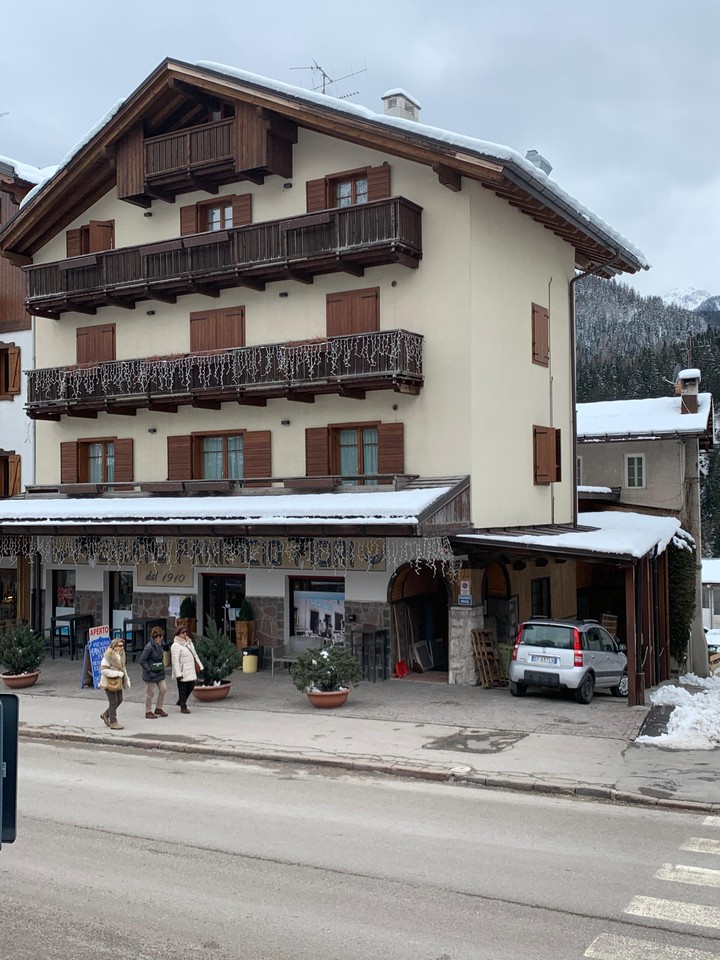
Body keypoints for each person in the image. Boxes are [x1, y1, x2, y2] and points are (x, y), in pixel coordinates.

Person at [99, 637, 131, 730]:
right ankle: (113, 722)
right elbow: (103, 670)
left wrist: (127, 679)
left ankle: (105, 714)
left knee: (120, 700)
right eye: (120, 646)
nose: (122, 647)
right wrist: (117, 674)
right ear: (114, 647)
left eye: (123, 645)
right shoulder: (108, 656)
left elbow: (123, 668)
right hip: (108, 682)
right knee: (113, 702)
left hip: (118, 681)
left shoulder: (121, 655)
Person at [171, 626, 203, 714]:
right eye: (183, 632)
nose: (185, 634)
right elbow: (175, 661)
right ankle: (183, 706)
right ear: (178, 634)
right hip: (182, 671)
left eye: (186, 632)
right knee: (183, 689)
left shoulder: (188, 642)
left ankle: (181, 700)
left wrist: (200, 666)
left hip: (190, 669)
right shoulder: (175, 645)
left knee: (191, 685)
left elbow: (195, 654)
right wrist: (178, 674)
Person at [139, 626, 168, 719]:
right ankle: (148, 711)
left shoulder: (160, 645)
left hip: (158, 671)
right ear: (156, 637)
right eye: (160, 636)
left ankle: (158, 708)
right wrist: (148, 670)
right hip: (150, 673)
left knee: (163, 689)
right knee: (150, 692)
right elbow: (142, 660)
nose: (162, 638)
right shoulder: (149, 647)